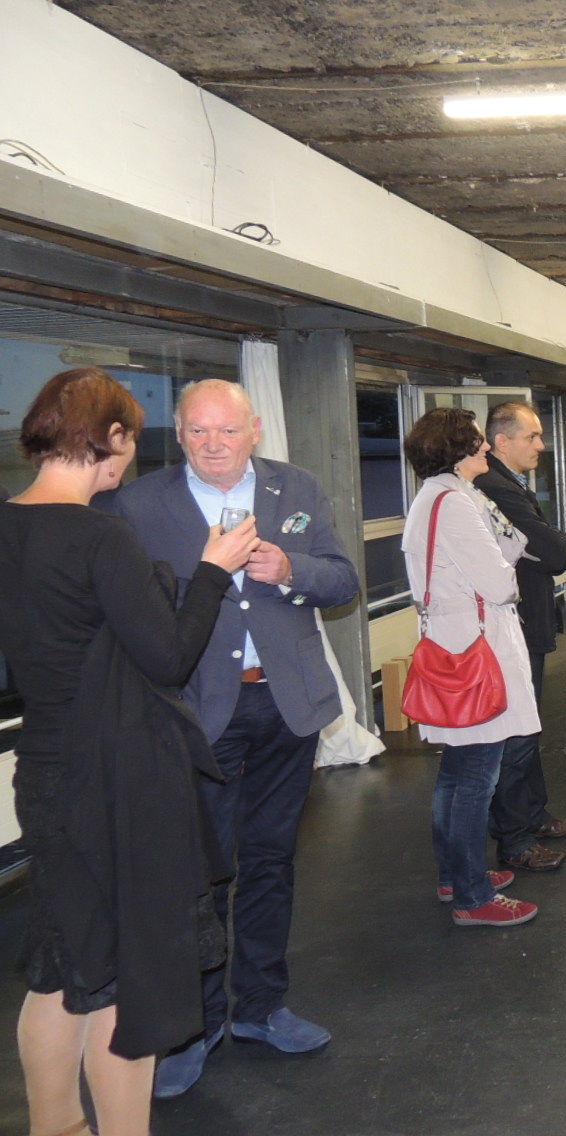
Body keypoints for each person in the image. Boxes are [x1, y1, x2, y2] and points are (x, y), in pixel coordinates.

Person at [0, 369, 259, 1136]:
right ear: (111, 438)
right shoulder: (99, 535)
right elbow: (168, 658)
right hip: (114, 780)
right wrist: (212, 573)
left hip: (45, 772)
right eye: (131, 440)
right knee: (124, 978)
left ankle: (57, 1126)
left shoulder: (8, 526)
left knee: (63, 966)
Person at [111, 379, 359, 1098]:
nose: (213, 444)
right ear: (178, 432)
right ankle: (194, 1026)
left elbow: (343, 581)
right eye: (198, 430)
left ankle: (260, 1006)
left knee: (271, 861)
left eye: (227, 430)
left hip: (286, 705)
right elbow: (129, 614)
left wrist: (291, 570)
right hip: (196, 713)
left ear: (254, 430)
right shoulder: (138, 505)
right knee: (200, 876)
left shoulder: (296, 487)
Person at [402, 408, 543, 929]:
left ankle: (454, 874)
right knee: (476, 777)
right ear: (457, 450)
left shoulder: (439, 496)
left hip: (455, 642)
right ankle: (472, 894)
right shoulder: (455, 504)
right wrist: (507, 566)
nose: (486, 448)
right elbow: (501, 583)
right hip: (477, 650)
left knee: (458, 772)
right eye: (478, 442)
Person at [476, 401, 566, 874]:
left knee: (528, 725)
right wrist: (557, 540)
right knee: (516, 733)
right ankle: (515, 838)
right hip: (512, 626)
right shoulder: (496, 488)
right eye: (532, 436)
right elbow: (554, 551)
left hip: (524, 620)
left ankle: (533, 816)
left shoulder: (509, 484)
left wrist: (549, 541)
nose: (541, 445)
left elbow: (543, 546)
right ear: (502, 442)